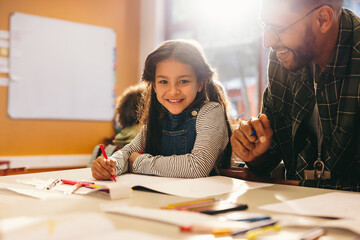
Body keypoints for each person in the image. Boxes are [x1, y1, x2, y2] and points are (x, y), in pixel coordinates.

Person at [231, 0, 360, 191]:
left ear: (323, 19)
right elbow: (272, 154)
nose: (268, 42)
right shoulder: (283, 59)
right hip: (297, 206)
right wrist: (255, 152)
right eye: (265, 26)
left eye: (277, 28)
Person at [92, 39, 232, 180]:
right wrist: (111, 165)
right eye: (163, 82)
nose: (173, 91)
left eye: (183, 81)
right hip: (162, 196)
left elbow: (197, 166)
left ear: (200, 83)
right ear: (154, 86)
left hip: (202, 199)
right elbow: (128, 152)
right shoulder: (159, 118)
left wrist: (139, 163)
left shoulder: (210, 112)